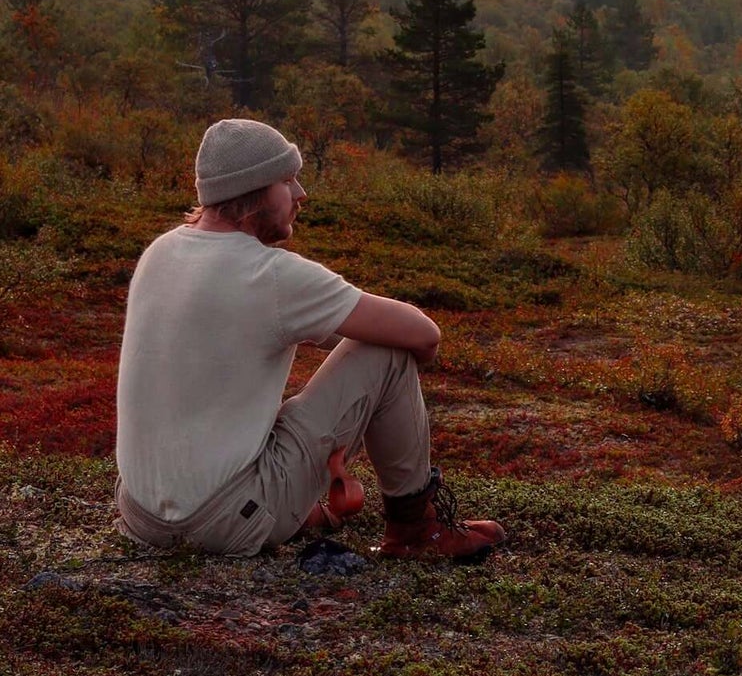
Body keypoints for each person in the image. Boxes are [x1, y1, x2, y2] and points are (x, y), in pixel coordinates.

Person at [114, 117, 502, 561]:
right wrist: (376, 402)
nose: (300, 194)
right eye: (287, 180)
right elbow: (423, 334)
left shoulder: (159, 253)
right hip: (223, 521)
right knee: (387, 352)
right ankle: (415, 530)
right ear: (254, 191)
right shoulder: (272, 274)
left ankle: (287, 506)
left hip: (140, 517)